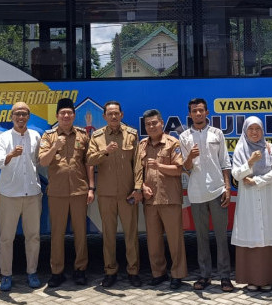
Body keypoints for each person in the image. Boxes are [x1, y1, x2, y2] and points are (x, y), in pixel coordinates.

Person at [38, 98, 95, 288]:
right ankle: (57, 272)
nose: (66, 116)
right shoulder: (48, 136)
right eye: (62, 113)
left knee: (80, 233)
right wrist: (55, 147)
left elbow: (89, 163)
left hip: (79, 191)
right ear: (57, 116)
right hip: (57, 192)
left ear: (73, 115)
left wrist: (91, 187)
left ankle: (80, 270)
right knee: (57, 234)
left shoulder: (82, 135)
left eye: (69, 113)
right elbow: (43, 162)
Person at [87, 101, 142, 288]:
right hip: (106, 195)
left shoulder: (132, 134)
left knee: (131, 235)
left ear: (122, 114)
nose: (113, 116)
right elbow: (89, 160)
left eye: (116, 113)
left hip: (128, 194)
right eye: (110, 114)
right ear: (104, 117)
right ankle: (110, 271)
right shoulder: (97, 136)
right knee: (108, 236)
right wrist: (105, 151)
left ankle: (133, 271)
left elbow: (138, 164)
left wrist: (137, 188)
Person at [179, 98, 233, 292]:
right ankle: (204, 275)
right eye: (194, 111)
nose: (198, 114)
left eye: (201, 110)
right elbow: (184, 169)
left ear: (207, 112)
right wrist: (190, 158)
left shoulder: (217, 133)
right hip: (196, 193)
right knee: (201, 237)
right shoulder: (184, 137)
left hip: (218, 190)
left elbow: (225, 162)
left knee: (221, 236)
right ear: (190, 114)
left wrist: (227, 188)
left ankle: (225, 276)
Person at [231, 116, 272, 291]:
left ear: (263, 131)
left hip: (268, 195)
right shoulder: (241, 148)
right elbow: (236, 174)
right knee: (251, 233)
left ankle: (269, 277)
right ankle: (252, 279)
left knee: (268, 232)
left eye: (258, 129)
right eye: (251, 129)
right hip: (248, 198)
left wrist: (258, 180)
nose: (254, 133)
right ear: (245, 131)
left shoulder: (269, 148)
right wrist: (250, 162)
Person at [0, 102, 43, 291]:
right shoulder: (3, 138)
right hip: (9, 194)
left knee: (33, 236)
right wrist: (11, 154)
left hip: (32, 193)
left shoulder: (35, 136)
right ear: (11, 116)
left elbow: (39, 161)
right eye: (17, 114)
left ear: (28, 116)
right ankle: (6, 275)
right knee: (6, 238)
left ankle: (32, 272)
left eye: (24, 114)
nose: (21, 117)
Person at [138, 109, 188, 289]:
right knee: (153, 240)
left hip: (169, 198)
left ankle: (177, 274)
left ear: (162, 123)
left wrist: (159, 165)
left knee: (175, 239)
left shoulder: (172, 143)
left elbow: (178, 169)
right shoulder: (142, 145)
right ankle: (158, 273)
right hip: (150, 200)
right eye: (148, 124)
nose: (151, 127)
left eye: (154, 123)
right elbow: (138, 172)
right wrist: (142, 187)